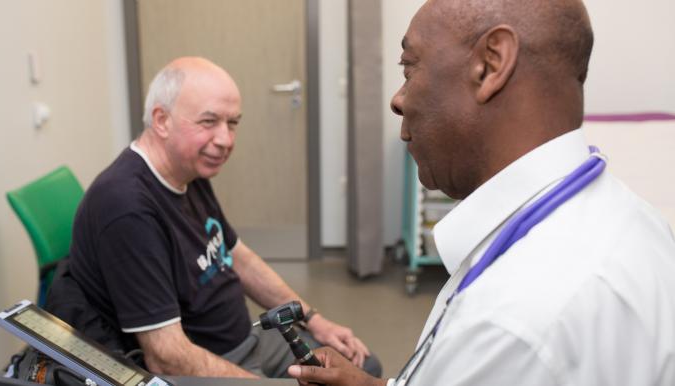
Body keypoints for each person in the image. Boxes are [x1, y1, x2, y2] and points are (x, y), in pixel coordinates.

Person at [289, 0, 675, 385]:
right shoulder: (636, 219)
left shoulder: (511, 324)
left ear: (491, 63)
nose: (398, 98)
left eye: (410, 67)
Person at [53, 57, 380, 378]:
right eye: (209, 122)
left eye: (233, 122)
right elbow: (167, 358)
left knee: (365, 368)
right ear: (161, 120)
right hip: (208, 365)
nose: (225, 140)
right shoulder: (127, 207)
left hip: (249, 339)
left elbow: (237, 256)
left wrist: (313, 319)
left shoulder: (188, 170)